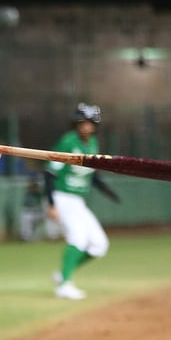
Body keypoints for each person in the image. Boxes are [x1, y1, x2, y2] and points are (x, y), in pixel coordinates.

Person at [45, 103, 120, 300]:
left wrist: (107, 191)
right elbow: (49, 173)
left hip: (78, 201)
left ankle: (63, 274)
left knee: (99, 245)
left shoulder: (92, 143)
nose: (86, 126)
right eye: (83, 122)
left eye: (90, 123)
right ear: (77, 124)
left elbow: (91, 175)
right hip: (62, 197)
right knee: (77, 239)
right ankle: (63, 285)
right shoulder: (68, 142)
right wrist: (51, 204)